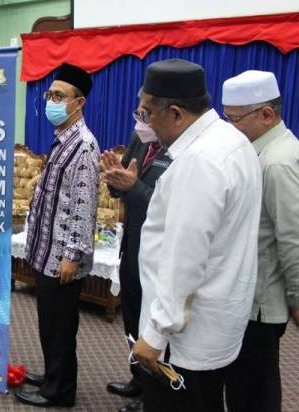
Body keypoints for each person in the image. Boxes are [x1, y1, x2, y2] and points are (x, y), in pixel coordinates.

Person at [131, 59, 262, 412]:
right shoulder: (232, 141)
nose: (145, 124)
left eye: (146, 114)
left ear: (174, 113)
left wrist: (156, 333)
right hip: (217, 323)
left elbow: (184, 257)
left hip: (184, 337)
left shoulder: (200, 161)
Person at [14, 63, 100, 408]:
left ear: (78, 103)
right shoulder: (64, 139)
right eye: (50, 94)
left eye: (59, 96)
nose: (51, 101)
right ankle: (53, 375)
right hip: (46, 250)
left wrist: (72, 255)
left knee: (61, 326)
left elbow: (84, 204)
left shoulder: (83, 145)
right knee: (49, 321)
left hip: (62, 257)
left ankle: (59, 391)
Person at [221, 70, 299, 412]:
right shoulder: (262, 151)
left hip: (262, 303)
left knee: (254, 390)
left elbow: (292, 238)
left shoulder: (277, 162)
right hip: (249, 297)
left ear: (266, 115)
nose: (229, 128)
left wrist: (298, 299)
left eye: (234, 119)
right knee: (246, 385)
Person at [104, 103, 172, 412]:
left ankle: (153, 396)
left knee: (153, 322)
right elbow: (124, 186)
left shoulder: (182, 154)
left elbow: (168, 207)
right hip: (132, 246)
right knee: (132, 315)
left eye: (146, 114)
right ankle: (138, 378)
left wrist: (134, 187)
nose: (140, 121)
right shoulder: (140, 138)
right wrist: (113, 179)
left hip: (160, 253)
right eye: (137, 113)